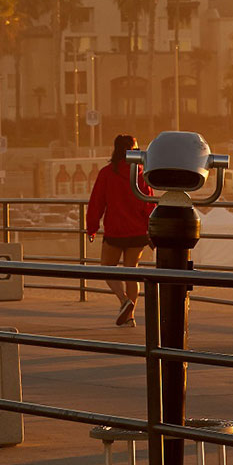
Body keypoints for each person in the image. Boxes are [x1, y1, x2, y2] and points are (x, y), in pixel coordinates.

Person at [85, 133, 155, 327]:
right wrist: (151, 230)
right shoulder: (141, 174)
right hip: (138, 232)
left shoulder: (107, 173)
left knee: (107, 268)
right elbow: (149, 205)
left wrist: (92, 227)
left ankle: (124, 301)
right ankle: (130, 317)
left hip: (115, 231)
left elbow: (96, 203)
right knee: (131, 272)